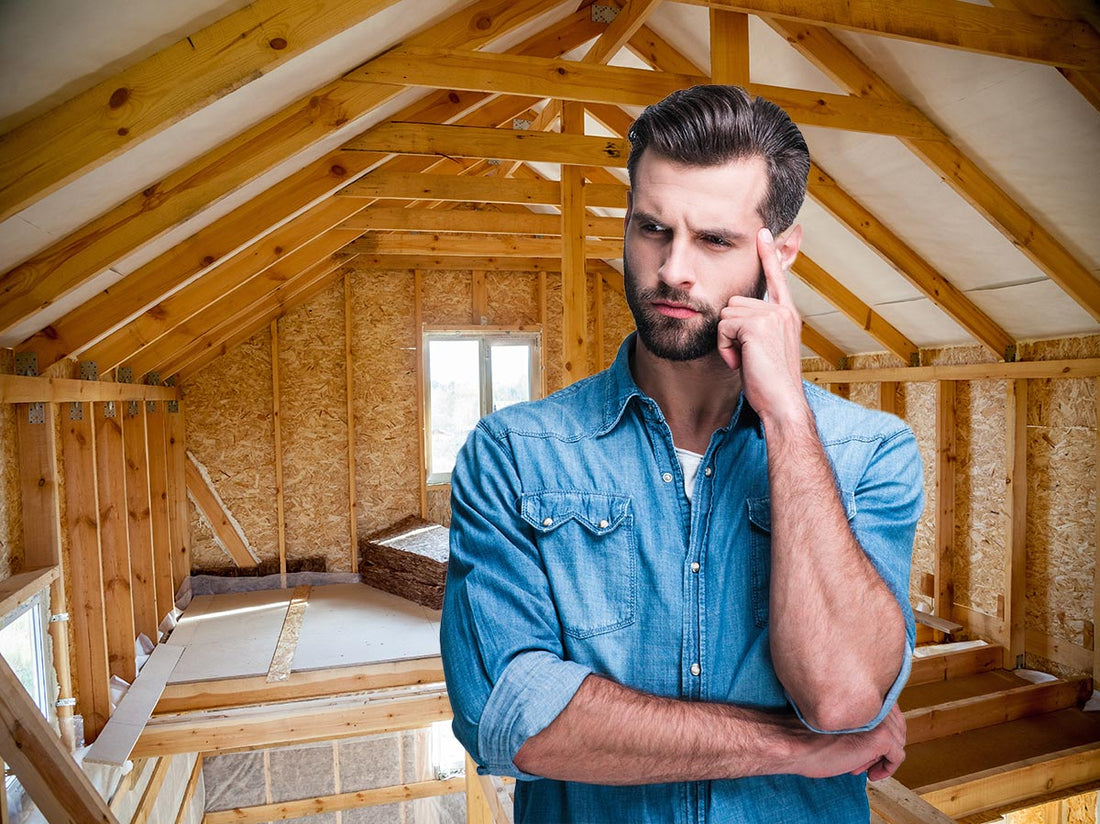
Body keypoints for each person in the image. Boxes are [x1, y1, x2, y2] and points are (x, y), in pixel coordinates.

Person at [440, 85, 923, 823]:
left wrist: (788, 417)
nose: (672, 270)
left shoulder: (870, 455)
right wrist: (793, 748)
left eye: (716, 241)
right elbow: (512, 717)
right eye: (652, 229)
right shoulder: (513, 456)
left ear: (780, 254)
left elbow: (843, 694)